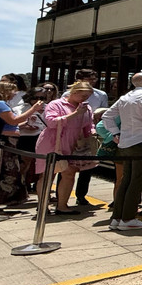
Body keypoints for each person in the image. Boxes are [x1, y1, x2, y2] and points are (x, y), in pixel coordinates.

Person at [102, 72, 142, 230]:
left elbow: (107, 116)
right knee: (137, 181)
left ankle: (117, 217)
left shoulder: (125, 97)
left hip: (125, 144)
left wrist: (116, 133)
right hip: (141, 143)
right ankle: (128, 218)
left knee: (125, 180)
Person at [34, 81, 96, 214]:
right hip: (52, 143)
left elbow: (89, 124)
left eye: (87, 96)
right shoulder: (56, 104)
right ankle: (43, 205)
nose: (85, 99)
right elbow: (51, 122)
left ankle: (62, 206)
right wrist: (75, 114)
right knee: (48, 174)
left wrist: (92, 133)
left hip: (72, 145)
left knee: (69, 173)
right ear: (74, 92)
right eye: (83, 95)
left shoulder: (86, 108)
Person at [0, 82, 45, 209]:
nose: (14, 94)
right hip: (3, 141)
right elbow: (13, 120)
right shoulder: (0, 104)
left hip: (3, 140)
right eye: (12, 91)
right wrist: (33, 110)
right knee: (6, 172)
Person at [62, 68, 109, 207]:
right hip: (71, 133)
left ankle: (81, 195)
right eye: (90, 79)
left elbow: (103, 112)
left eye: (94, 79)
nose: (93, 82)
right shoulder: (67, 94)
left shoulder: (101, 95)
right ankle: (61, 196)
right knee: (66, 165)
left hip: (89, 132)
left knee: (88, 165)